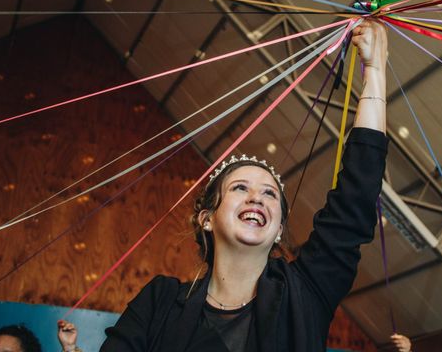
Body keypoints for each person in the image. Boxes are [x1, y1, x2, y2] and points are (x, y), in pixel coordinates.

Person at [101, 19, 389, 351]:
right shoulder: (159, 303)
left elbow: (354, 202)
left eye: (270, 194)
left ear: (279, 227)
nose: (257, 198)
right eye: (240, 188)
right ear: (206, 218)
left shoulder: (307, 290)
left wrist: (375, 71)